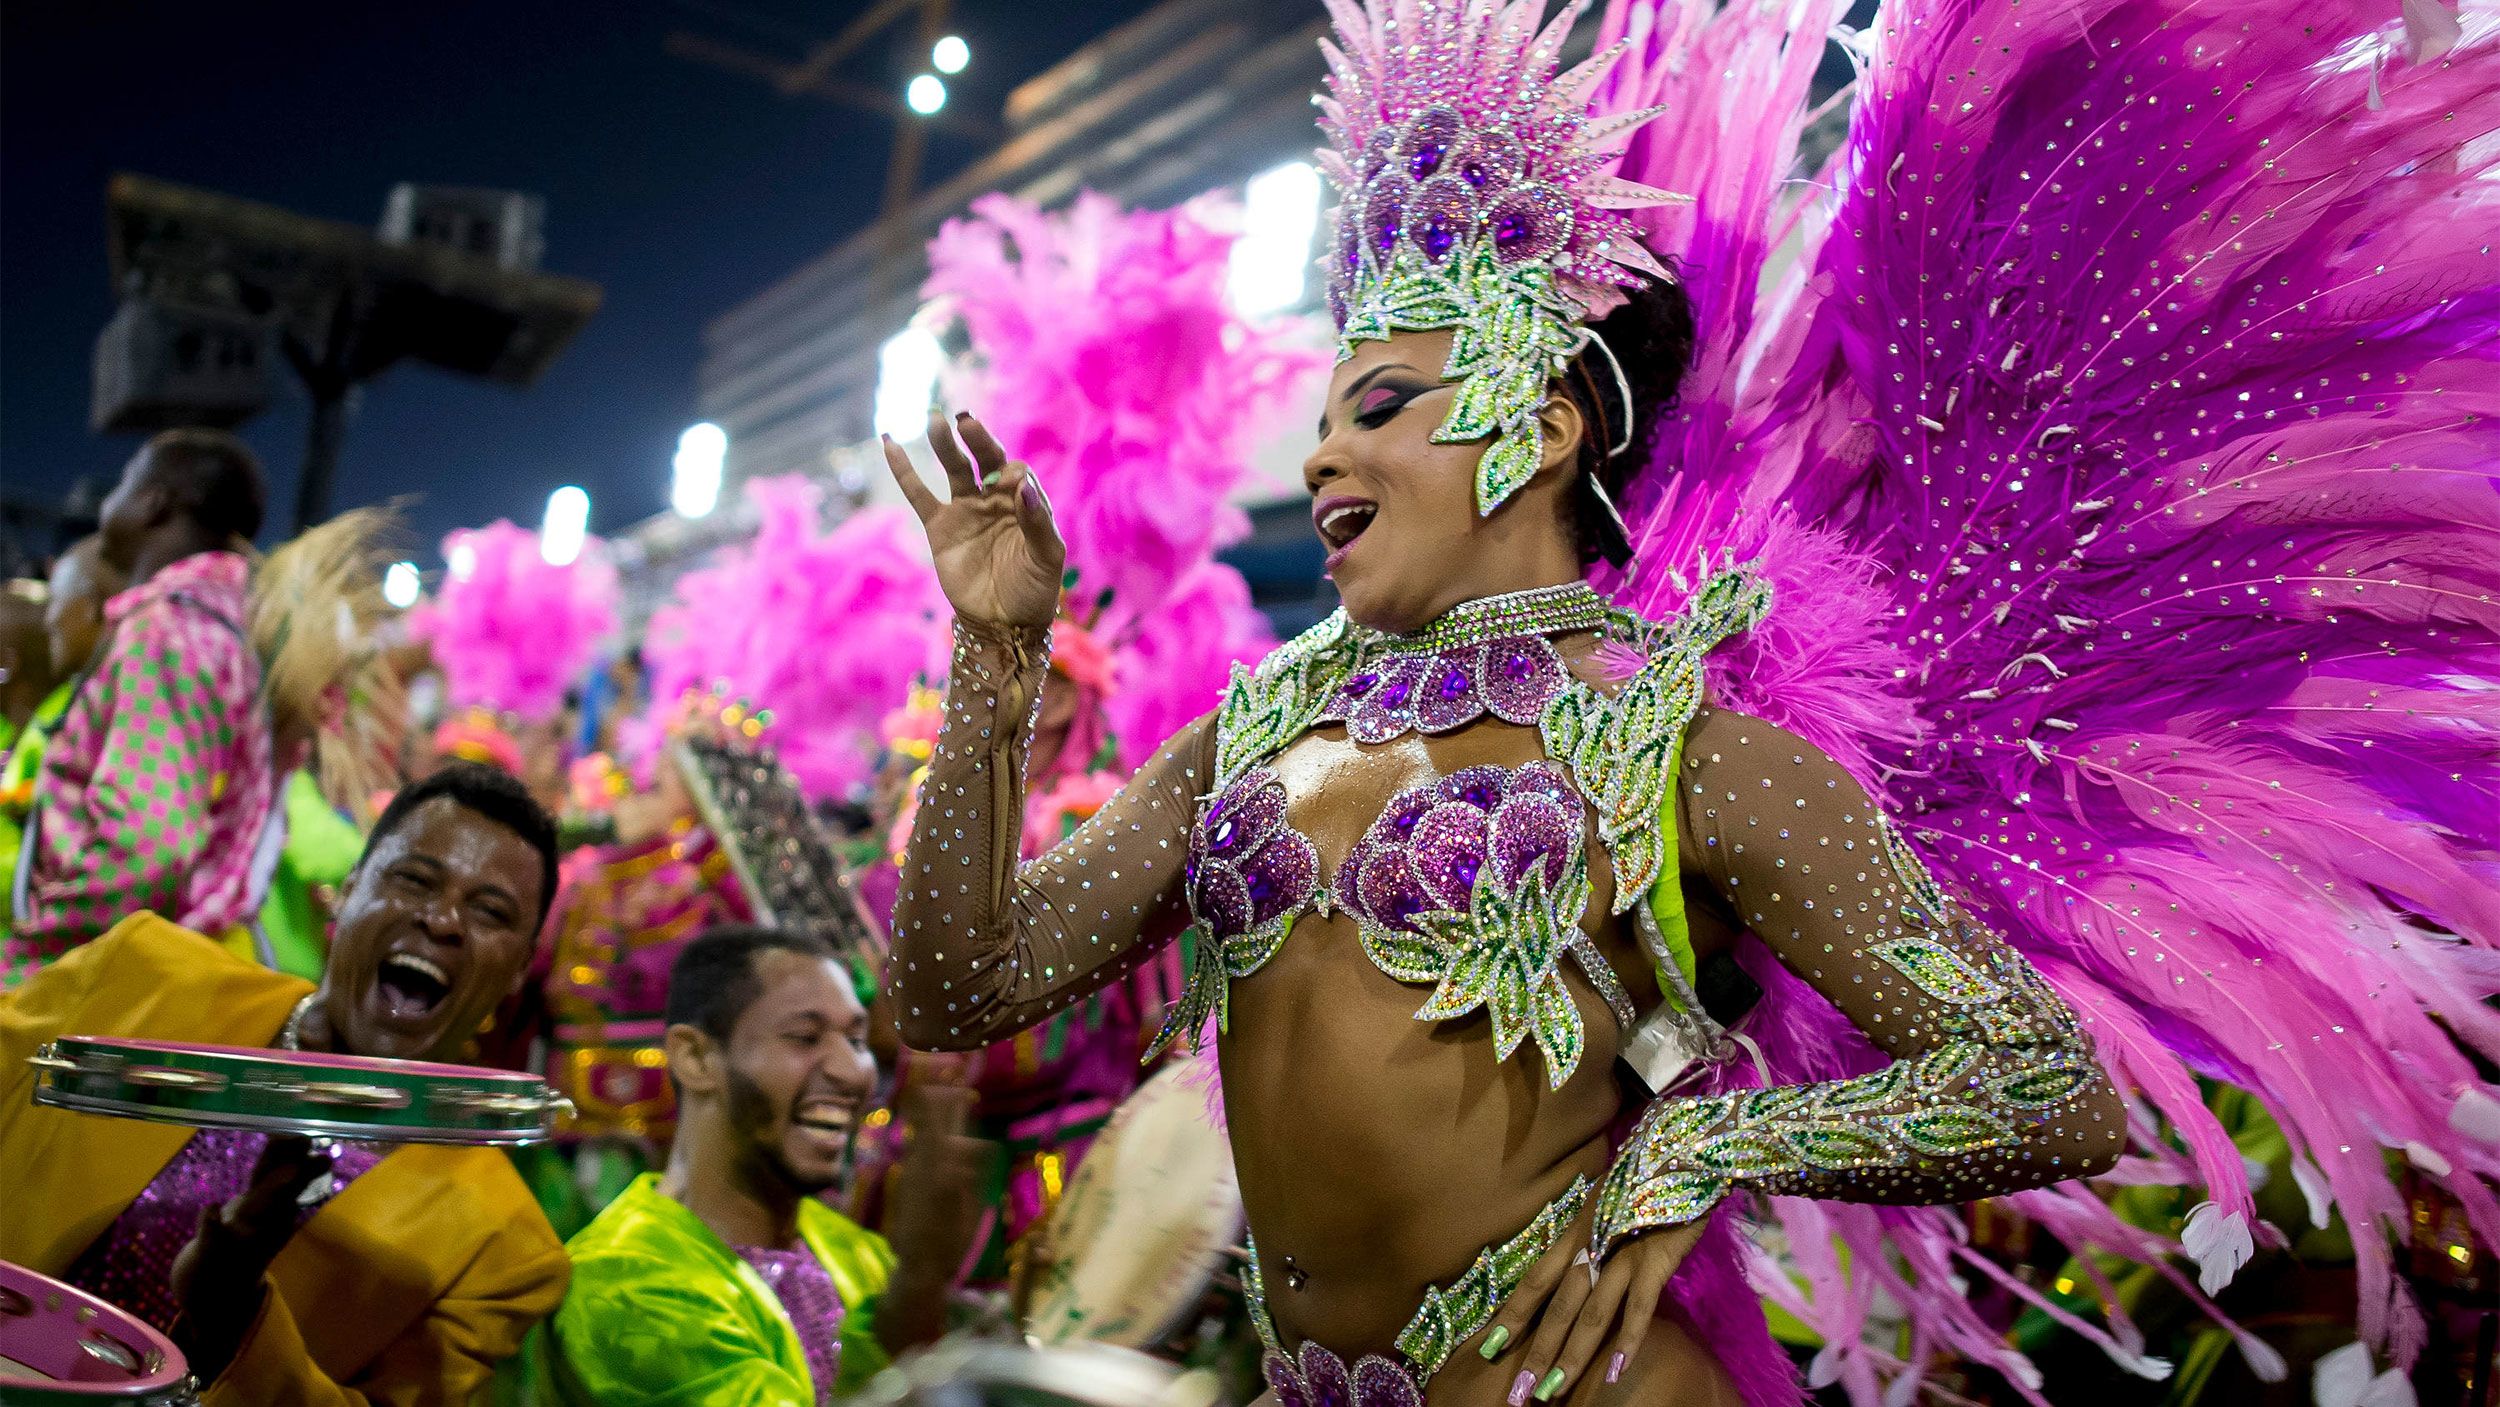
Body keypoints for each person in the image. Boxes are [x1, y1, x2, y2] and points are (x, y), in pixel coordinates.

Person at [886, 0, 2500, 1402]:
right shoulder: (1251, 733)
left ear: (1545, 423)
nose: (1320, 455)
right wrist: (999, 658)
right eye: (1323, 418)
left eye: (1379, 406)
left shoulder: (1697, 752)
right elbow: (960, 984)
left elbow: (2038, 1081)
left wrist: (1696, 1145)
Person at [0, 761, 568, 1405]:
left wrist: (232, 1313)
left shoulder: (502, 1249)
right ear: (347, 890)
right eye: (414, 880)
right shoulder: (142, 972)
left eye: (490, 911)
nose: (443, 922)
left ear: (521, 967)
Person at [551, 924, 976, 1406]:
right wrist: (918, 1282)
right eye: (804, 1037)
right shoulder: (626, 1282)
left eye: (857, 1042)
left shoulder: (849, 1248)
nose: (850, 1072)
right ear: (696, 1057)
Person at [10, 429, 277, 969]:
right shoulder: (220, 623)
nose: (109, 503)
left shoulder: (170, 630)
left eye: (124, 483)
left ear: (152, 504)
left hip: (107, 975)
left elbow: (145, 846)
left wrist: (36, 952)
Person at [2, 539, 130, 982]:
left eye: (60, 601)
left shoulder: (76, 722)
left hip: (57, 962)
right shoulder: (50, 719)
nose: (52, 617)